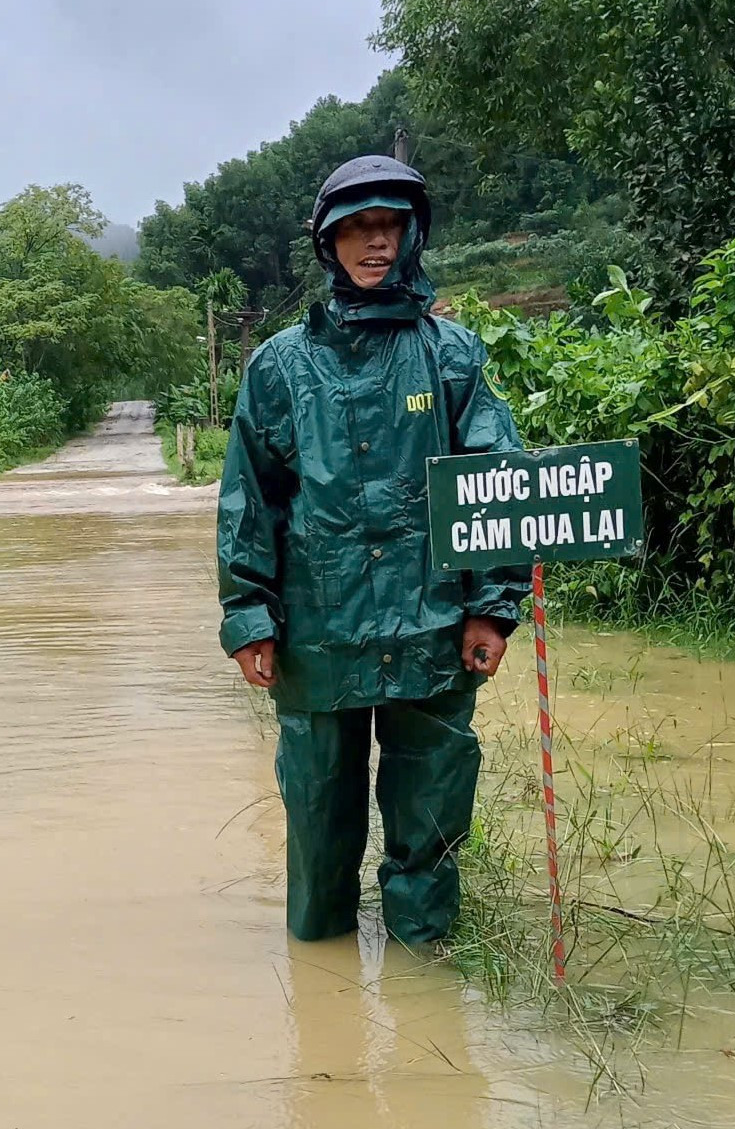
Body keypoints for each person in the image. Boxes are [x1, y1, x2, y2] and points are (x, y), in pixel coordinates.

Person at [216, 154, 531, 946]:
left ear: (411, 233)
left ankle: (427, 990)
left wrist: (492, 610)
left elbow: (498, 483)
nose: (374, 243)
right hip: (317, 634)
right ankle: (322, 1014)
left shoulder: (451, 354)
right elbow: (247, 496)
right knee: (318, 824)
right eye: (355, 228)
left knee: (429, 819)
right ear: (328, 244)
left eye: (387, 225)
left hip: (433, 630)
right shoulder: (279, 366)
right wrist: (249, 613)